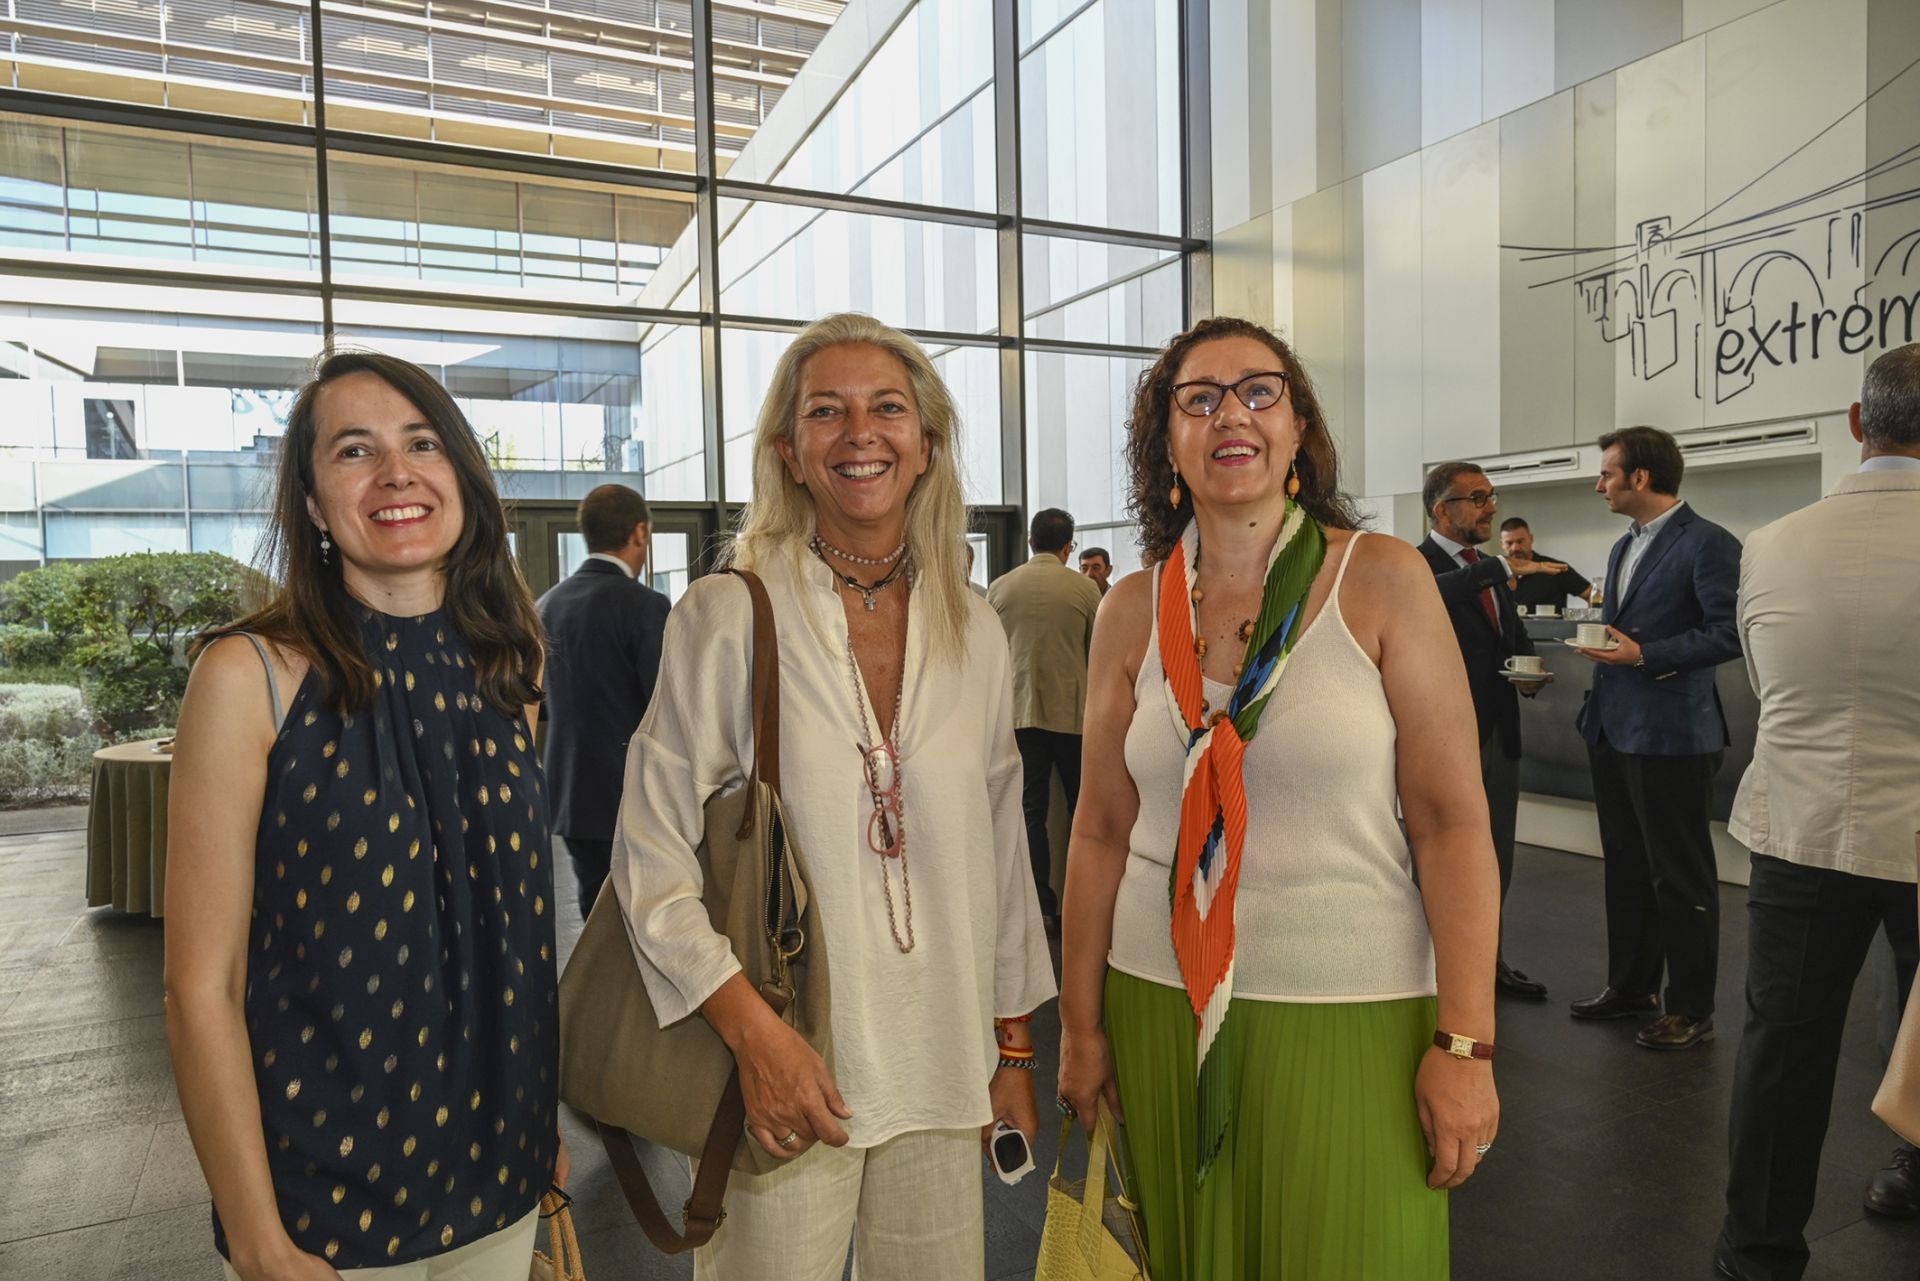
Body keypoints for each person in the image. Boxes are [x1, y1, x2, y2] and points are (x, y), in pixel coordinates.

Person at [610, 313, 1055, 1280]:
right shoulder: (728, 614)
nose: (862, 432)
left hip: (942, 1065)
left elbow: (1001, 847)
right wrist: (753, 1035)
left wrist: (1012, 1053)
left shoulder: (973, 628)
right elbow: (648, 854)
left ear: (927, 445)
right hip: (784, 1063)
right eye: (828, 412)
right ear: (789, 453)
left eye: (887, 408)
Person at [1056, 316, 1501, 1280]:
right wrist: (1081, 1028)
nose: (1233, 414)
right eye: (1200, 397)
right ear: (1166, 440)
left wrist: (1466, 1040)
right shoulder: (1131, 608)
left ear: (1299, 429)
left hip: (1351, 1008)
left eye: (1260, 391)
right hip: (1156, 1003)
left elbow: (1452, 820)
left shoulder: (1380, 578)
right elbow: (1098, 829)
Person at [163, 351, 567, 1281]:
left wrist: (536, 1117)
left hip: (499, 1174)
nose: (396, 473)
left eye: (422, 442)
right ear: (311, 504)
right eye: (354, 450)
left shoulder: (514, 667)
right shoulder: (249, 677)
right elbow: (201, 987)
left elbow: (514, 931)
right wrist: (257, 1233)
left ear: (461, 474)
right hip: (322, 1209)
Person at [1714, 344, 1920, 1281]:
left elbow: (1769, 685)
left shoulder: (1773, 541)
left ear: (1854, 423)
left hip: (1799, 830)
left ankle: (1753, 1256)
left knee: (1783, 1052)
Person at [1569, 424, 1742, 1050]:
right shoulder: (1623, 547)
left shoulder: (1710, 544)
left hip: (1673, 734)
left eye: (1608, 474)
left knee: (1680, 874)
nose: (1599, 485)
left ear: (1641, 478)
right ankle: (1631, 987)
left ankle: (1691, 1008)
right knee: (1627, 867)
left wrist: (1645, 654)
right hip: (1614, 727)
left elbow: (1730, 633)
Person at [1418, 463, 1566, 1000]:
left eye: (1491, 496)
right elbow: (1433, 595)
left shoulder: (1487, 567)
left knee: (1496, 856)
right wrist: (1500, 568)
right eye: (1477, 498)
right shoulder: (1417, 565)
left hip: (1500, 733)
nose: (1490, 507)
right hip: (1443, 742)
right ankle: (1432, 974)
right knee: (1439, 860)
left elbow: (1513, 632)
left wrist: (1529, 670)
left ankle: (1488, 963)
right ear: (1442, 510)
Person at [536, 483, 671, 917]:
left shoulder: (547, 606)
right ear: (639, 533)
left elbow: (544, 704)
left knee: (593, 912)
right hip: (633, 793)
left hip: (571, 793)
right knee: (645, 915)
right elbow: (665, 704)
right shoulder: (645, 605)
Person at [987, 507, 1104, 926]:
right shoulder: (1085, 591)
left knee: (1030, 811)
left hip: (1018, 715)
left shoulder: (999, 589)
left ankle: (1041, 904)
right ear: (1068, 547)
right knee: (1081, 809)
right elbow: (1099, 655)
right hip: (1073, 716)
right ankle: (1081, 902)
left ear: (1030, 542)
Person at [1499, 517, 1596, 611]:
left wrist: (1590, 624)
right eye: (1509, 543)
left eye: (1520, 541)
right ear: (1502, 544)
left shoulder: (1555, 568)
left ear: (1531, 539)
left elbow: (1593, 595)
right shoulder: (1496, 573)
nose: (1515, 548)